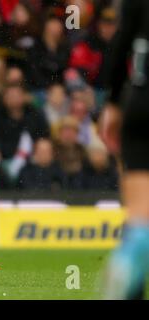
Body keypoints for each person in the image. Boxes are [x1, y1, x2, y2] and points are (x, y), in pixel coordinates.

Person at [99, 0, 149, 299]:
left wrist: (114, 102)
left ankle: (126, 264)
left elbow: (120, 46)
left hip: (141, 102)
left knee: (140, 214)